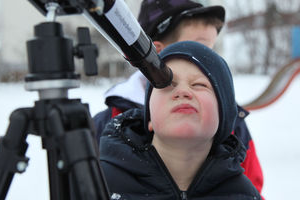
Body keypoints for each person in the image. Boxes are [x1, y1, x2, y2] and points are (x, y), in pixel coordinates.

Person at [93, 0, 264, 195]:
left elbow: (251, 186)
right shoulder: (105, 127)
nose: (210, 60)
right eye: (199, 47)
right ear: (155, 51)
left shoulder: (230, 122)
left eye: (212, 50)